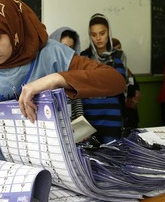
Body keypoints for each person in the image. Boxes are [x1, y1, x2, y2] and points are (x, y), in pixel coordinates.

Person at [0, 0, 126, 198]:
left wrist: (57, 78)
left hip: (48, 171)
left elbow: (115, 80)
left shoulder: (51, 54)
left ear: (14, 27)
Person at [80, 14, 128, 143]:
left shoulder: (118, 56)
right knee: (90, 158)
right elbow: (82, 86)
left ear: (109, 32)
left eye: (102, 33)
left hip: (112, 116)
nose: (98, 38)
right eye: (94, 34)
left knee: (111, 156)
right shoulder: (84, 56)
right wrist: (106, 81)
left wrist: (94, 82)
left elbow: (120, 85)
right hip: (89, 116)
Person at [49, 27, 84, 120]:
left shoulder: (73, 71)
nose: (67, 51)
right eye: (64, 46)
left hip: (72, 130)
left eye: (71, 48)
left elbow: (77, 103)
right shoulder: (43, 71)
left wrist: (82, 124)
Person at [113, 37, 141, 136]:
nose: (120, 52)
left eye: (120, 48)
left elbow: (136, 87)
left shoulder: (127, 70)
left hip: (131, 113)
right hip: (119, 113)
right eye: (116, 49)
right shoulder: (110, 70)